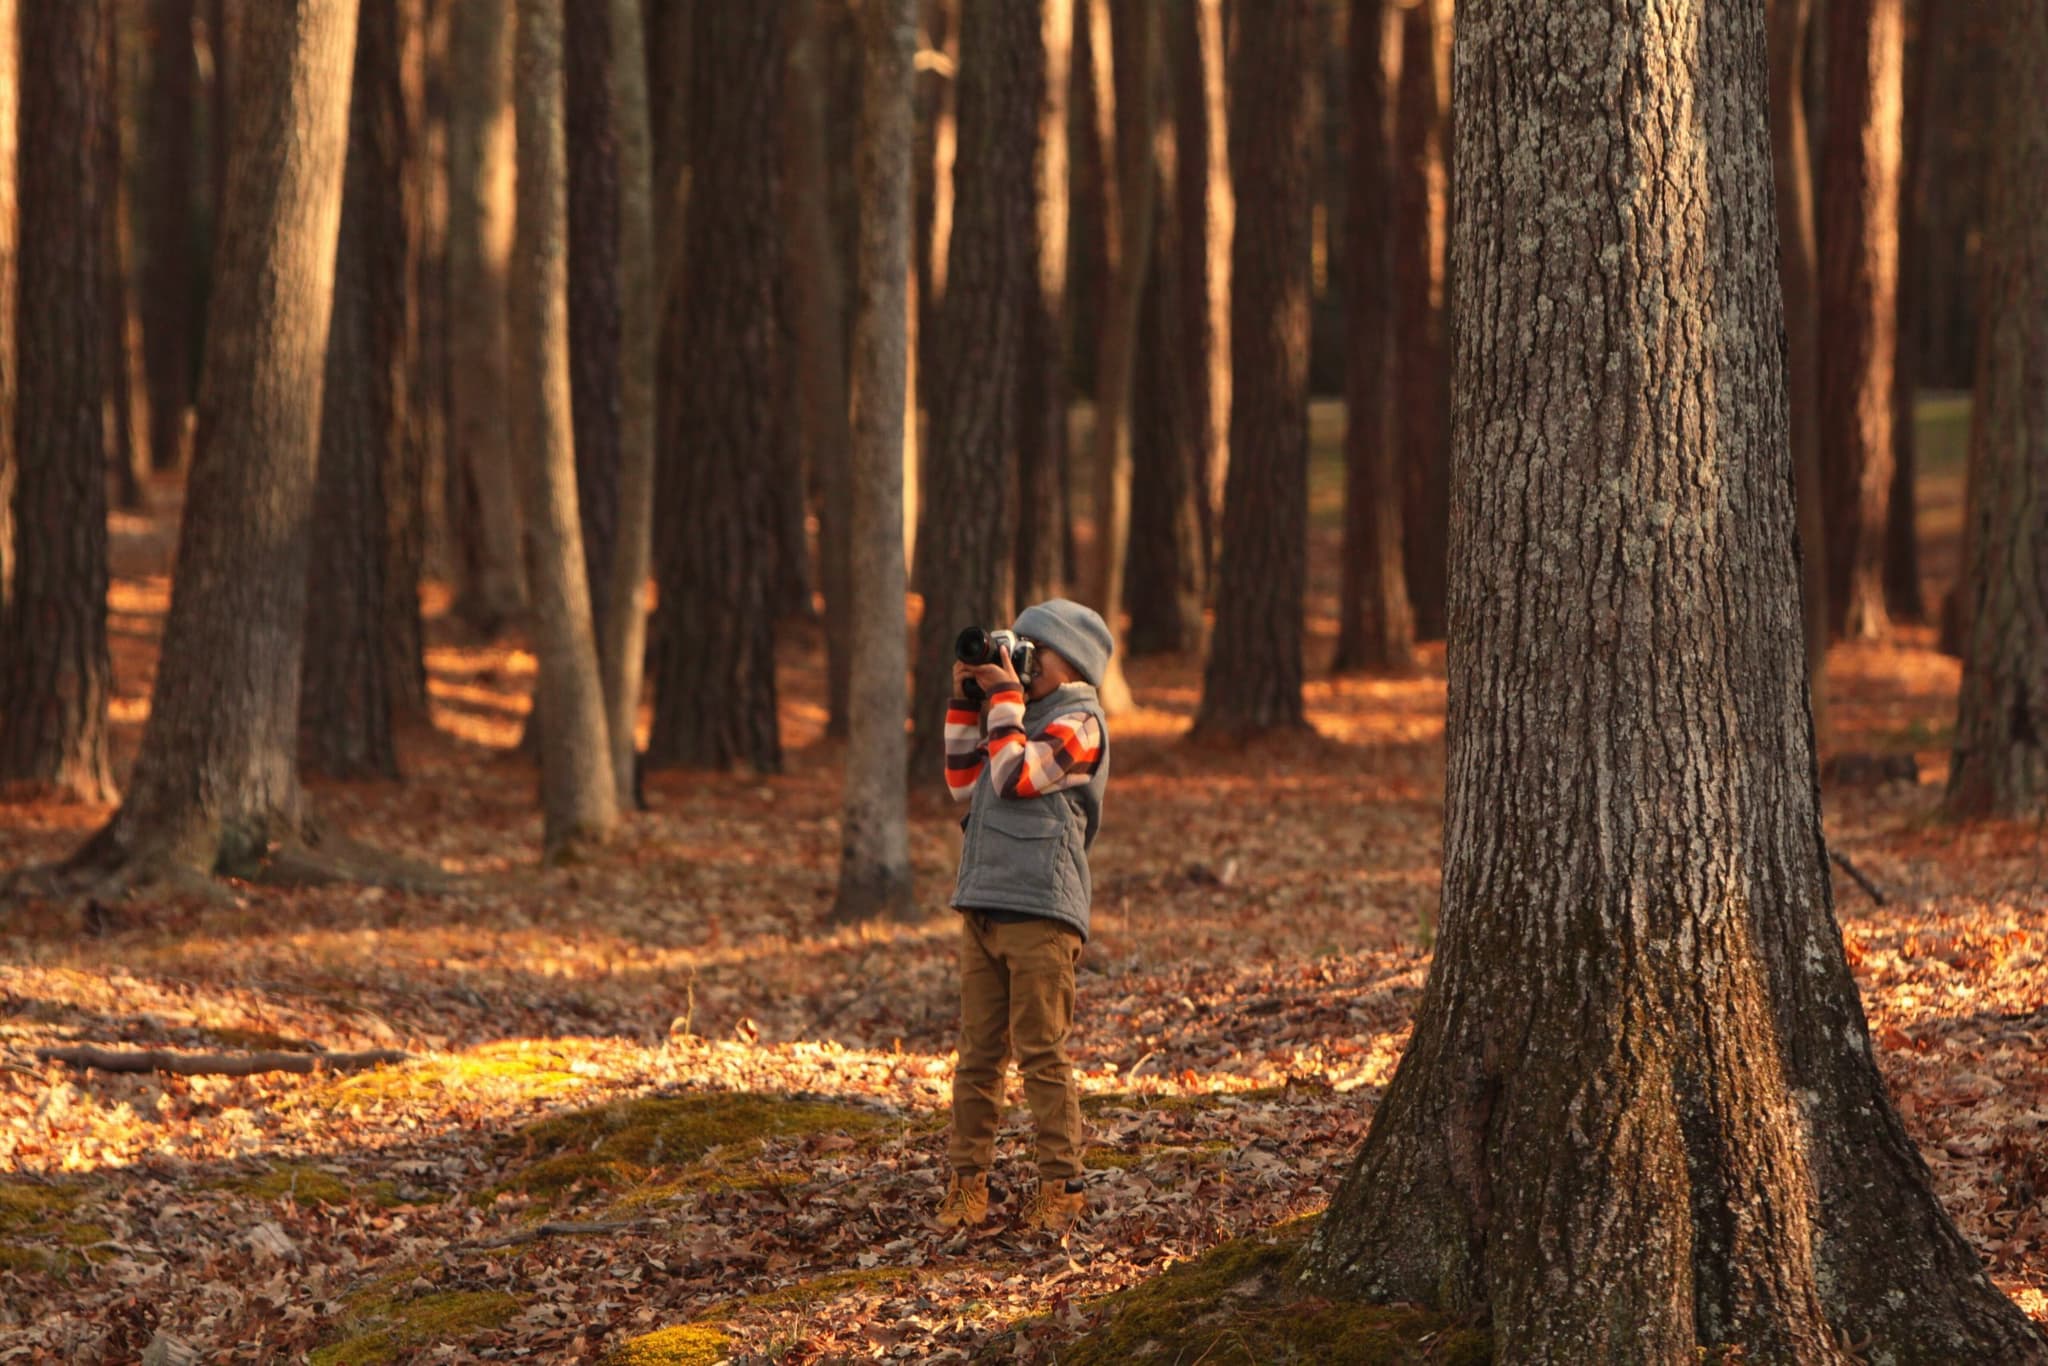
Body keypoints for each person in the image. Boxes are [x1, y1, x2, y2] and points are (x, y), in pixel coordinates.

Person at [933, 599, 1112, 1236]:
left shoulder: (1080, 723)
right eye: (1018, 646)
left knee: (1041, 1052)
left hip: (1041, 911)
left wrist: (1004, 699)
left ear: (1073, 664)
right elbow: (965, 786)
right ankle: (966, 1182)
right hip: (983, 903)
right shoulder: (1015, 717)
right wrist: (965, 702)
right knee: (978, 1055)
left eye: (1037, 651)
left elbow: (1014, 777)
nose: (1022, 660)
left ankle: (1061, 1186)